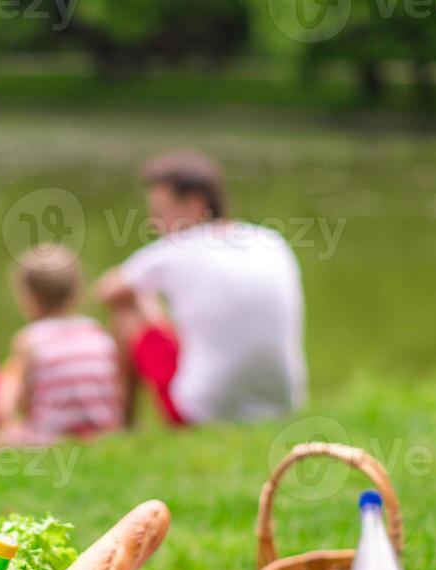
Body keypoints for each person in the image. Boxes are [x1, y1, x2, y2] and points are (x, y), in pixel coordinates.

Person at [94, 150, 307, 426]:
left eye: (161, 212)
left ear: (194, 206)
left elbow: (105, 291)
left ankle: (122, 428)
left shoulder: (175, 248)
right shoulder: (270, 239)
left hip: (202, 415)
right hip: (284, 406)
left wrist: (150, 307)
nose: (153, 223)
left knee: (125, 307)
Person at [0, 246, 124, 443]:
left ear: (29, 299)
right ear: (76, 293)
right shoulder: (97, 333)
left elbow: (2, 406)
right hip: (103, 433)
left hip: (50, 436)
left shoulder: (30, 339)